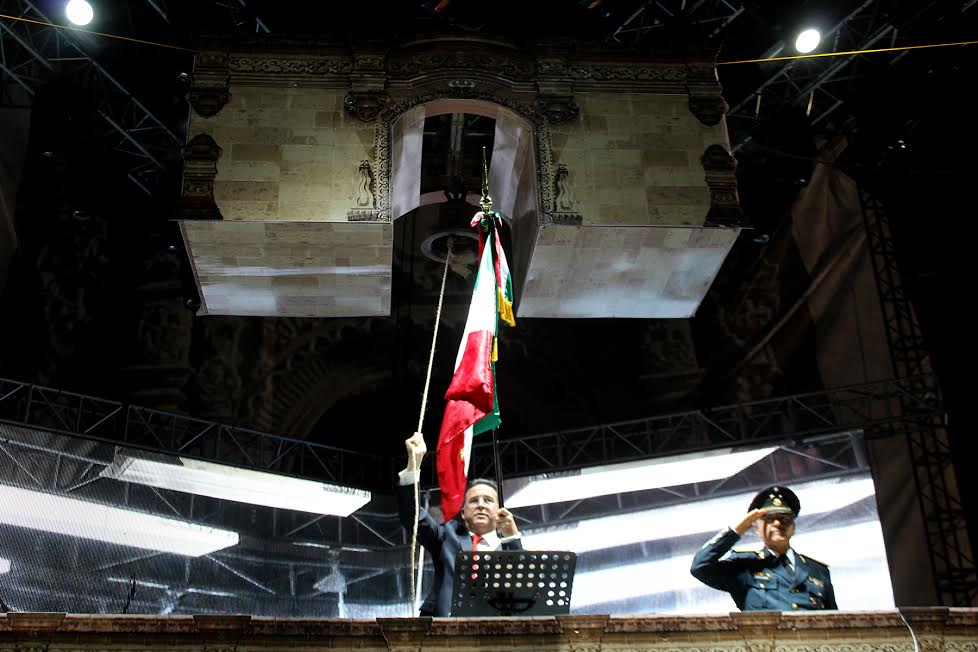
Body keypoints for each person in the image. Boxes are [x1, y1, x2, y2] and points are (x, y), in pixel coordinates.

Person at [398, 432, 523, 617]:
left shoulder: (508, 547)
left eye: (488, 500)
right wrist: (413, 467)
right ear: (463, 513)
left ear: (499, 510)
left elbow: (523, 591)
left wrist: (512, 538)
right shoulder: (446, 536)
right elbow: (412, 516)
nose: (481, 505)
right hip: (444, 626)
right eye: (474, 501)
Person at [690, 485, 837, 611]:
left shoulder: (818, 570)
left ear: (793, 527)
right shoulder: (743, 566)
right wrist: (738, 529)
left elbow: (835, 621)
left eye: (784, 519)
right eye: (769, 519)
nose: (778, 524)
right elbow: (700, 567)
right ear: (756, 529)